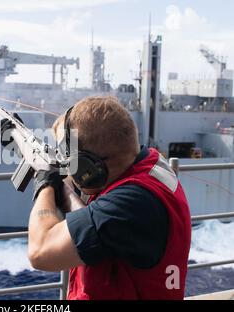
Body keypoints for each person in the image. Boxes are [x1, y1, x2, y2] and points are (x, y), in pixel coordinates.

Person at [18, 96, 191, 300]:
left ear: (88, 168)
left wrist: (45, 181)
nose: (64, 165)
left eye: (68, 160)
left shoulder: (129, 204)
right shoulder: (148, 166)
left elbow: (40, 252)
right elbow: (94, 214)